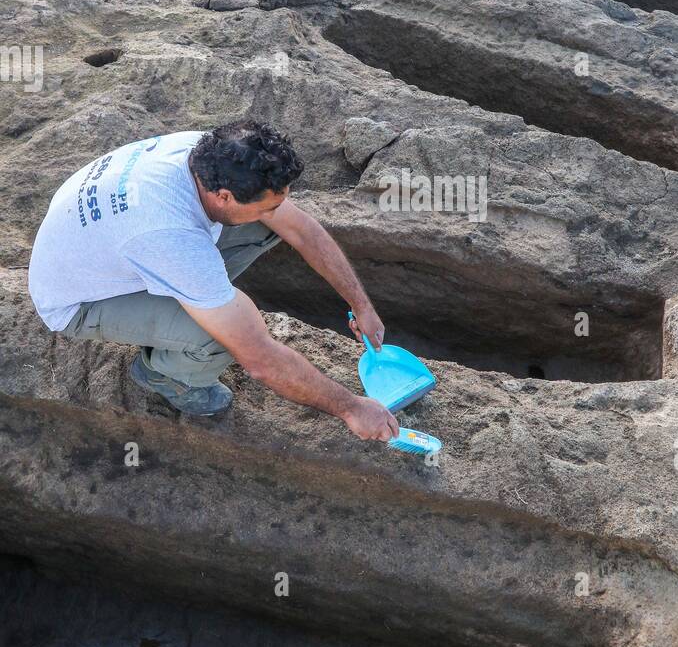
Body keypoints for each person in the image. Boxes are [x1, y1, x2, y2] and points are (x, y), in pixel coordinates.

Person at [28, 119, 400, 441]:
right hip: (80, 299)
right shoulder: (170, 235)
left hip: (105, 246)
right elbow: (259, 360)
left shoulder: (212, 156)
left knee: (267, 228)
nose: (278, 209)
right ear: (223, 196)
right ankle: (166, 377)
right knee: (219, 339)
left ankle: (200, 299)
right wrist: (351, 408)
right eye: (270, 203)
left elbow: (302, 231)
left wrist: (361, 304)